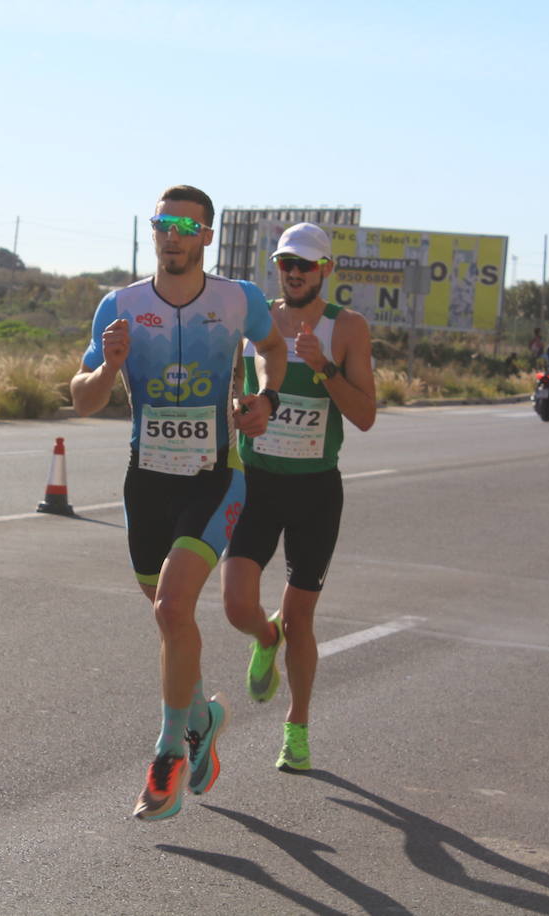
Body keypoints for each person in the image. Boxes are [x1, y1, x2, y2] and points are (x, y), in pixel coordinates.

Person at [70, 185, 287, 821]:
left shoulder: (237, 300)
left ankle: (168, 753)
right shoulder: (122, 305)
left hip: (216, 476)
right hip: (147, 482)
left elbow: (272, 351)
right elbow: (81, 399)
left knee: (172, 606)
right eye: (163, 223)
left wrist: (266, 399)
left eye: (186, 226)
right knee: (169, 618)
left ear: (206, 237)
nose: (172, 235)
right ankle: (203, 720)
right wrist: (108, 367)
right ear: (154, 231)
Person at [220, 223, 376, 774]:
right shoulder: (254, 318)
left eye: (306, 265)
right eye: (287, 262)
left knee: (303, 619)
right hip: (256, 483)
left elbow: (364, 416)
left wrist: (325, 367)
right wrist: (237, 409)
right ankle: (266, 636)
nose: (295, 272)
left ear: (325, 271)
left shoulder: (347, 329)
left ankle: (298, 727)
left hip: (314, 490)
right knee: (237, 605)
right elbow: (229, 386)